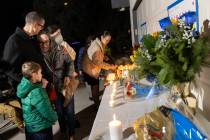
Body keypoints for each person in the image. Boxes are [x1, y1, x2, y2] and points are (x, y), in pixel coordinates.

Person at [1, 11, 51, 92]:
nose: (41, 29)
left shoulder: (31, 39)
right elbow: (9, 69)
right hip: (28, 91)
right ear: (35, 24)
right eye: (41, 26)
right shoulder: (14, 41)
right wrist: (32, 82)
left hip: (40, 86)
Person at [46, 25, 78, 140]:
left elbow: (72, 58)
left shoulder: (64, 45)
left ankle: (72, 134)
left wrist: (69, 75)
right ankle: (63, 130)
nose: (58, 37)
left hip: (67, 83)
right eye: (55, 36)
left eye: (59, 34)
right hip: (54, 86)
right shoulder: (47, 49)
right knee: (59, 111)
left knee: (70, 111)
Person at [16, 61, 57, 140]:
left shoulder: (23, 87)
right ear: (34, 74)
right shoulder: (37, 92)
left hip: (30, 127)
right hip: (41, 127)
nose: (42, 74)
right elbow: (46, 110)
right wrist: (54, 117)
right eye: (40, 72)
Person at [82, 31, 116, 109]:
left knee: (94, 86)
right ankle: (97, 105)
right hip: (89, 69)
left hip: (89, 67)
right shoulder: (97, 47)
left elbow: (98, 55)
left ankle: (96, 103)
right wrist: (110, 66)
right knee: (95, 87)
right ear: (101, 37)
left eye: (109, 40)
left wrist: (104, 57)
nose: (107, 42)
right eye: (106, 40)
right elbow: (98, 63)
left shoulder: (99, 44)